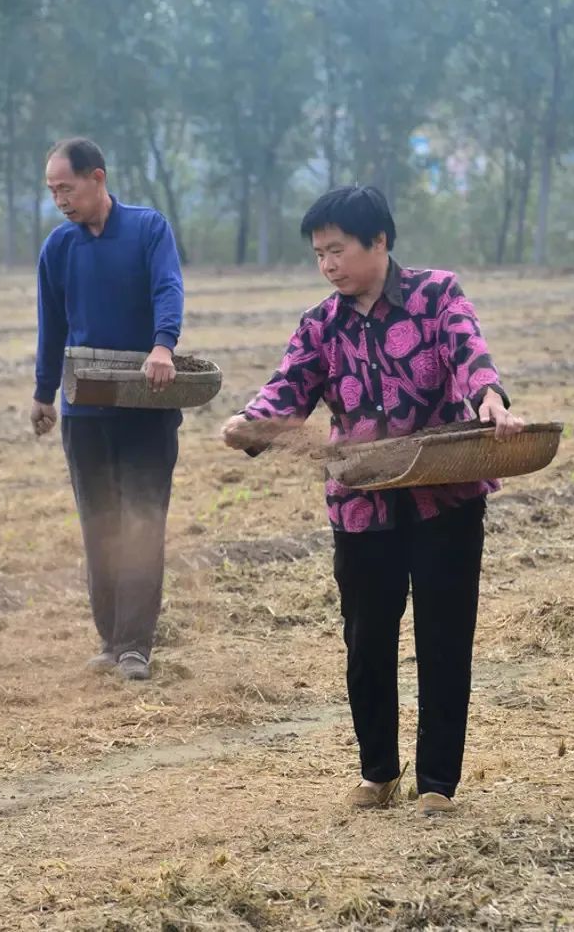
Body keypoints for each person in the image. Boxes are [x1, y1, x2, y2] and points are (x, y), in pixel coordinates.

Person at [221, 186, 524, 814]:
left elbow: (470, 354)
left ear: (379, 242)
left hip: (446, 499)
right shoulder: (320, 325)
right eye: (319, 255)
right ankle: (378, 772)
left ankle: (437, 783)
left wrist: (489, 398)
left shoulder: (437, 295)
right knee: (366, 640)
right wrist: (250, 422)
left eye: (338, 250)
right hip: (362, 506)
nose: (328, 265)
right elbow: (288, 388)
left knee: (444, 639)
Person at [31, 137, 184, 681]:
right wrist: (44, 393)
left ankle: (136, 645)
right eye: (52, 192)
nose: (60, 200)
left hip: (147, 407)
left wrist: (163, 345)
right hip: (85, 413)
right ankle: (109, 638)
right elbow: (52, 325)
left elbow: (168, 288)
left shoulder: (148, 229)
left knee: (143, 523)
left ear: (97, 178)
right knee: (99, 524)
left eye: (66, 188)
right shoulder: (58, 249)